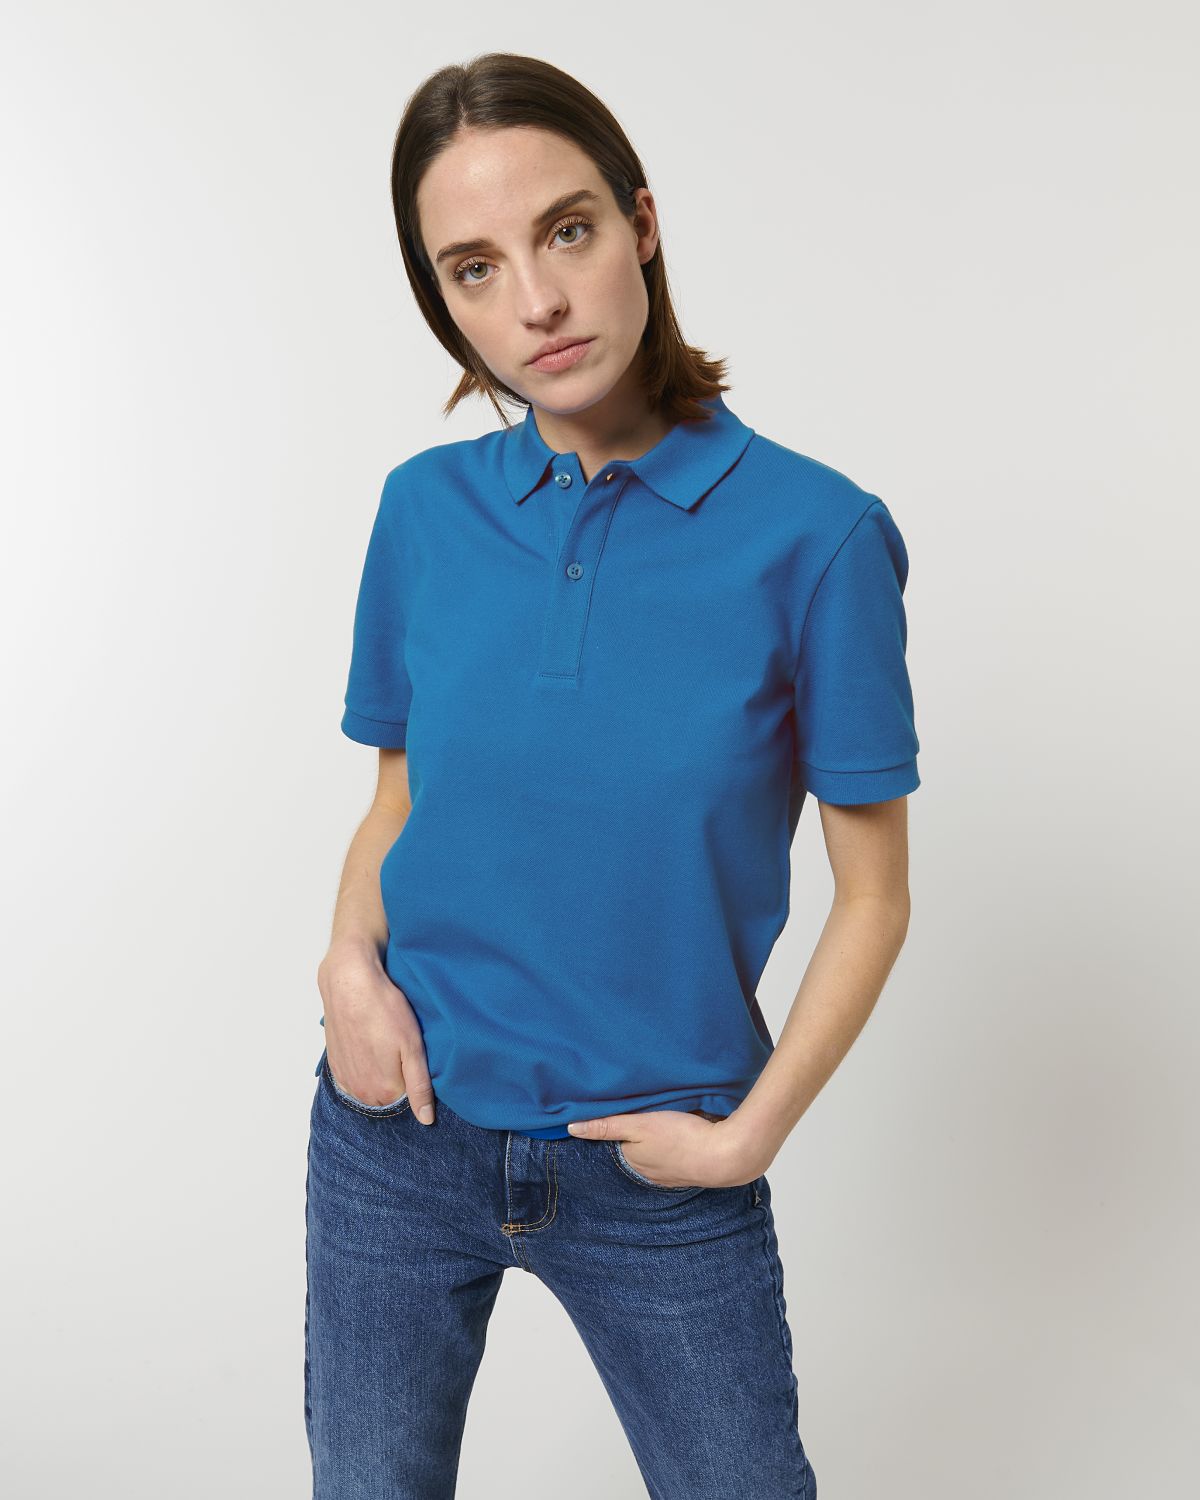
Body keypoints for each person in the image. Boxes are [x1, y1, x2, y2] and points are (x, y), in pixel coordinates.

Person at [305, 51, 920, 1500]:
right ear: (443, 300)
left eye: (566, 231)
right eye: (474, 268)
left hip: (659, 1163)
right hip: (399, 1136)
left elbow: (875, 895)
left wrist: (748, 1138)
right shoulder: (423, 512)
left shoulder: (819, 538)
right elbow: (398, 803)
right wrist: (344, 968)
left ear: (641, 223)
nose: (536, 302)